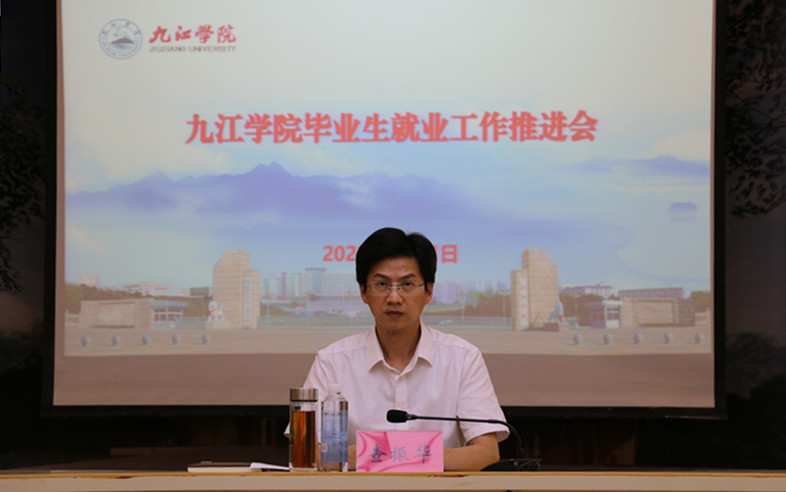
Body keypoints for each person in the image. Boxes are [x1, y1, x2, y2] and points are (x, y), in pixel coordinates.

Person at [300, 227, 509, 471]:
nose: (394, 298)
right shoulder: (332, 362)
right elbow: (306, 454)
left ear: (429, 291)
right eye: (381, 284)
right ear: (363, 291)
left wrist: (374, 454)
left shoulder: (462, 358)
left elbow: (486, 453)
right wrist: (414, 454)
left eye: (407, 284)